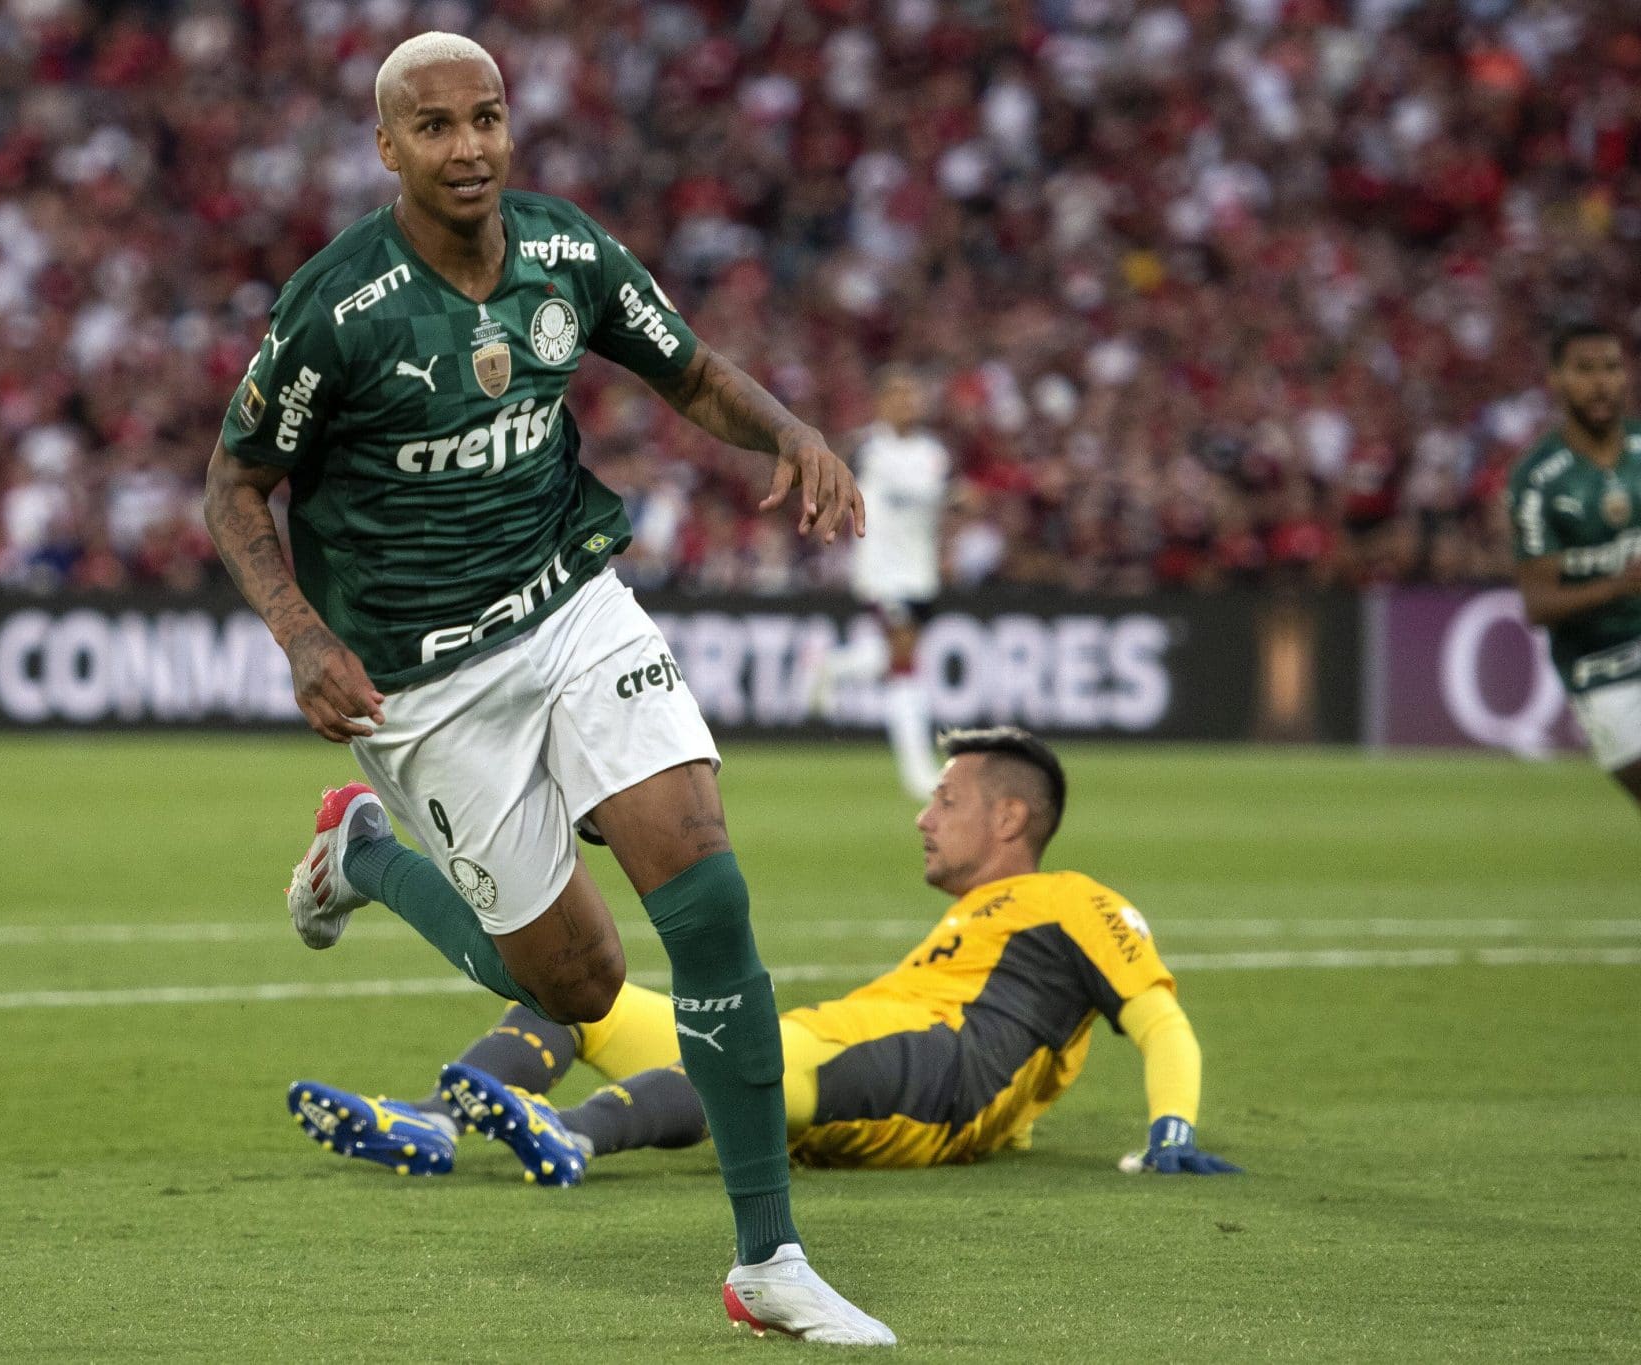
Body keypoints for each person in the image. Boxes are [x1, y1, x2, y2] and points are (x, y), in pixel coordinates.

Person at [204, 32, 889, 1346]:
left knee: (706, 884)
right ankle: (366, 854)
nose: (468, 146)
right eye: (435, 126)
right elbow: (235, 484)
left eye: (487, 117)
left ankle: (769, 1258)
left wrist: (793, 433)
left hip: (570, 602)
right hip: (423, 681)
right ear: (386, 147)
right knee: (578, 983)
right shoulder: (336, 309)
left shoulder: (567, 252)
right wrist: (299, 634)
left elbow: (690, 372)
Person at [288, 727, 1240, 1221]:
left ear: (1010, 819)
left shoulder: (1075, 900)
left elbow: (1158, 1016)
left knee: (748, 1053)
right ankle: (437, 1120)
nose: (923, 816)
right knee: (580, 1001)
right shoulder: (977, 922)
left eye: (946, 799)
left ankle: (572, 1133)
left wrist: (1171, 1127)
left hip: (935, 1072)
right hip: (854, 1050)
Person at [1507, 322, 1641, 809]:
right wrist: (1621, 585)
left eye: (1611, 367)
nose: (1601, 382)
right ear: (1556, 380)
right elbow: (1538, 604)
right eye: (1584, 370)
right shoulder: (1539, 479)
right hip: (1601, 671)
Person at [826, 366, 953, 800]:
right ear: (881, 403)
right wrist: (953, 496)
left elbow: (931, 501)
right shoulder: (868, 448)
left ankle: (832, 667)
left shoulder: (933, 451)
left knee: (891, 657)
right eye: (899, 395)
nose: (908, 403)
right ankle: (917, 772)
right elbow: (918, 494)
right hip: (882, 572)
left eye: (913, 395)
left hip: (920, 573)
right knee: (904, 662)